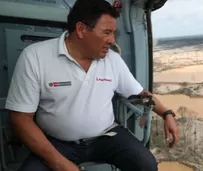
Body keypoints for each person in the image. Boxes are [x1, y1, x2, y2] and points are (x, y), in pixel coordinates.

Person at [4, 0, 179, 171]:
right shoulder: (35, 57)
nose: (112, 40)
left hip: (107, 137)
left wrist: (166, 113)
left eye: (114, 33)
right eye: (107, 32)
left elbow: (141, 94)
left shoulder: (112, 60)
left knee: (147, 165)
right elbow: (20, 118)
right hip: (57, 143)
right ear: (81, 29)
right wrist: (61, 165)